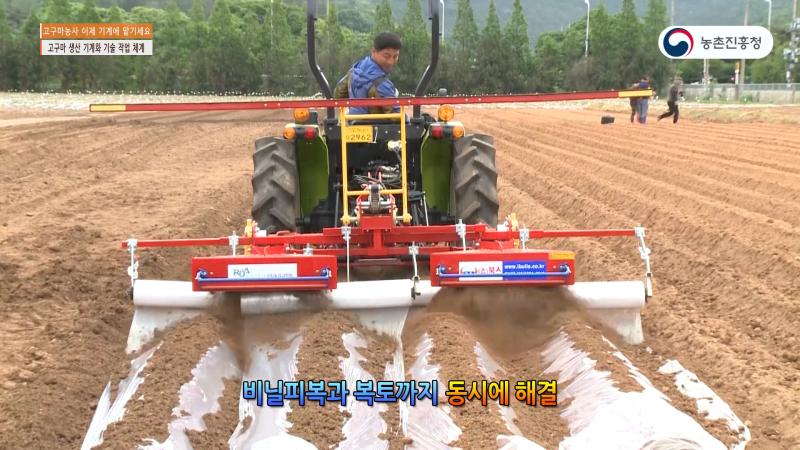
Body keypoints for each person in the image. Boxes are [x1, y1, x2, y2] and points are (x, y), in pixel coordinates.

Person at [335, 32, 401, 115]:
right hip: (375, 126)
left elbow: (339, 93)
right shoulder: (381, 83)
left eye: (395, 57)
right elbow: (395, 115)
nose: (391, 62)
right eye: (386, 56)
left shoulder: (356, 69)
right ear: (373, 51)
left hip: (352, 123)